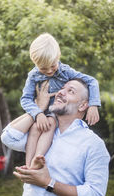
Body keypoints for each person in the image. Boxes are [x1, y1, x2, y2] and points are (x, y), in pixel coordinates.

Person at [1, 79, 110, 196]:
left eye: (71, 91)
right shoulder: (41, 131)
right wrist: (36, 108)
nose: (60, 92)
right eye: (62, 88)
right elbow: (9, 137)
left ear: (83, 105)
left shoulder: (93, 144)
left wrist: (48, 183)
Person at [19, 33, 101, 169]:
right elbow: (26, 99)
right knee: (34, 128)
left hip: (56, 112)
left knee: (50, 124)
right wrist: (38, 113)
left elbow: (92, 81)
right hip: (39, 112)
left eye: (52, 66)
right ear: (35, 63)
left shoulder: (65, 71)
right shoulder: (33, 76)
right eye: (43, 69)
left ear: (58, 57)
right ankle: (29, 164)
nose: (49, 71)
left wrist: (93, 104)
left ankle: (38, 158)